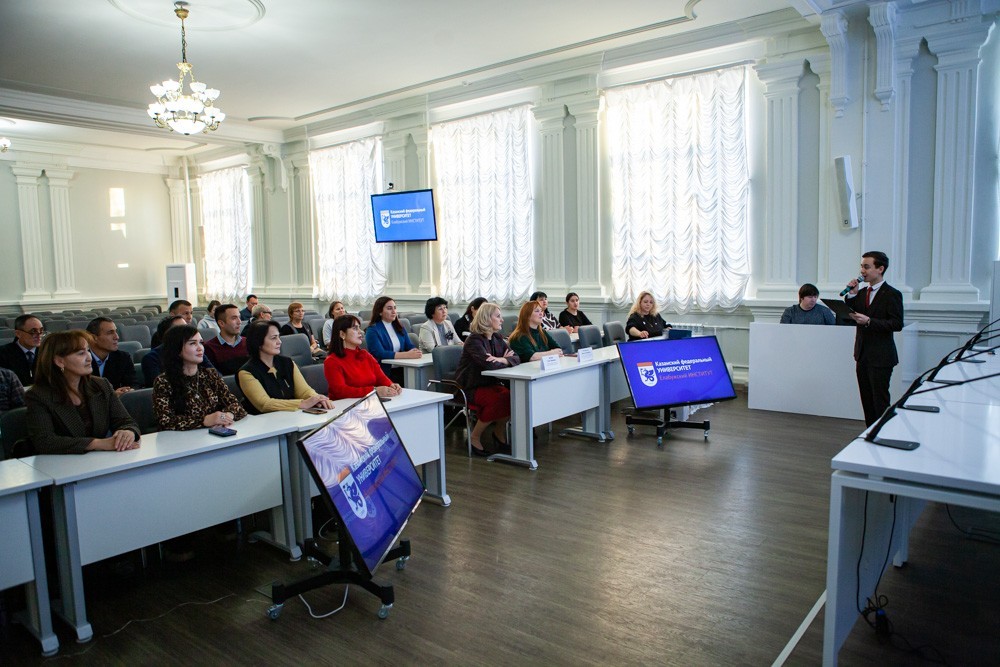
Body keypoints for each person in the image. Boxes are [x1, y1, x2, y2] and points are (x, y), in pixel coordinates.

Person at [24, 330, 140, 454]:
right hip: (60, 462)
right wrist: (96, 443)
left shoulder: (101, 385)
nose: (89, 358)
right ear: (59, 361)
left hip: (99, 459)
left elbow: (125, 421)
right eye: (81, 353)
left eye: (88, 351)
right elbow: (44, 441)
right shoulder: (38, 395)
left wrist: (127, 432)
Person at [845, 251, 904, 427]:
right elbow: (852, 313)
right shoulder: (862, 292)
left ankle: (883, 432)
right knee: (866, 399)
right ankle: (869, 433)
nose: (862, 271)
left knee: (880, 400)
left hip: (881, 356)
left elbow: (896, 323)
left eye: (867, 266)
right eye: (861, 266)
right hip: (862, 354)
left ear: (880, 269)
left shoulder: (892, 294)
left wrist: (870, 321)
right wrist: (852, 294)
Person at [454, 302, 520, 455]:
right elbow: (489, 365)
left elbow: (516, 358)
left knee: (513, 397)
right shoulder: (474, 340)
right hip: (470, 387)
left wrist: (501, 359)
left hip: (489, 384)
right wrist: (503, 360)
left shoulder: (497, 337)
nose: (502, 320)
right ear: (487, 319)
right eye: (498, 316)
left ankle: (498, 433)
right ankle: (474, 437)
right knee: (497, 400)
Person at [152, 325, 246, 431]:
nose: (200, 348)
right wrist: (204, 420)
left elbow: (235, 404)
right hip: (183, 438)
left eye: (201, 342)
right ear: (177, 348)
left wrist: (226, 416)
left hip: (214, 433)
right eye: (192, 343)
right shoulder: (163, 381)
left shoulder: (210, 374)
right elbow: (165, 421)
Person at [237, 321, 334, 414]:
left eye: (279, 337)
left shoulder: (288, 363)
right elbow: (264, 404)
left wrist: (318, 398)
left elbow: (304, 391)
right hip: (264, 421)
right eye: (273, 338)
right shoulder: (246, 372)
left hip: (292, 416)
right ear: (258, 342)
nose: (279, 342)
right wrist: (302, 403)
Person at [324, 315, 402, 400]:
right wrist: (374, 391)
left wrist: (391, 385)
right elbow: (340, 391)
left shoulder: (365, 355)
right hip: (344, 405)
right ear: (342, 334)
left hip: (368, 402)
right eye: (355, 328)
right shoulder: (332, 361)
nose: (360, 332)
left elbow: (380, 377)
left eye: (359, 328)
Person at [142, 315, 214, 387]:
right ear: (168, 335)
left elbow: (214, 376)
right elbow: (157, 387)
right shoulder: (151, 358)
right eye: (181, 329)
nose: (187, 331)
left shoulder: (195, 352)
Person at [364, 296, 421, 381]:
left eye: (395, 308)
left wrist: (414, 351)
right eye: (389, 308)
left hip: (402, 368)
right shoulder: (372, 330)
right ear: (380, 312)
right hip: (384, 372)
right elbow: (380, 353)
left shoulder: (399, 327)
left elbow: (409, 345)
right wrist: (407, 355)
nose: (394, 311)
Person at [86, 317, 135, 393]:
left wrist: (127, 391)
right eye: (110, 333)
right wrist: (113, 396)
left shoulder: (123, 357)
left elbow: (133, 384)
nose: (117, 337)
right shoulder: (81, 360)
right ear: (93, 338)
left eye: (116, 332)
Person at [203, 303, 249, 376]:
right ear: (221, 323)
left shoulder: (248, 342)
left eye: (239, 317)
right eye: (234, 318)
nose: (239, 322)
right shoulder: (209, 348)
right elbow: (214, 377)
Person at [0, 314, 44, 386]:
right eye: (33, 331)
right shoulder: (3, 354)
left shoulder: (47, 351)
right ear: (18, 334)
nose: (39, 336)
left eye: (41, 331)